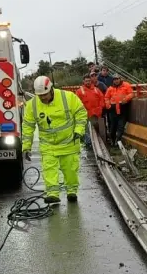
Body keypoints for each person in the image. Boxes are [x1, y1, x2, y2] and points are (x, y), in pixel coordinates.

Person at [21, 75, 88, 204]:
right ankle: (52, 194)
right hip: (48, 144)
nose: (43, 98)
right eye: (40, 95)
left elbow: (81, 113)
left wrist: (79, 130)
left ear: (51, 89)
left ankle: (71, 191)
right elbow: (28, 127)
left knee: (70, 169)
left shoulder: (68, 97)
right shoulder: (32, 105)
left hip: (68, 141)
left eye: (45, 94)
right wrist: (26, 147)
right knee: (49, 169)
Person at [76, 74, 106, 146]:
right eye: (86, 81)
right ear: (83, 81)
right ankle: (89, 144)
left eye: (89, 81)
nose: (88, 82)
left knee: (98, 129)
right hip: (86, 115)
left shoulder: (96, 89)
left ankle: (100, 143)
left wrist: (100, 107)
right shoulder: (79, 91)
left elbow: (102, 98)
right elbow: (77, 103)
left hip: (97, 114)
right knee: (87, 130)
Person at [104, 74, 134, 145]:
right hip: (112, 110)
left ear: (120, 79)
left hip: (122, 109)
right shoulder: (110, 88)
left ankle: (118, 141)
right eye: (114, 79)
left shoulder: (126, 85)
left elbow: (131, 94)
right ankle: (112, 140)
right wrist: (108, 105)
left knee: (121, 126)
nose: (116, 81)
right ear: (113, 80)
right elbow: (106, 97)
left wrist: (126, 99)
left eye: (117, 79)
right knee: (112, 127)